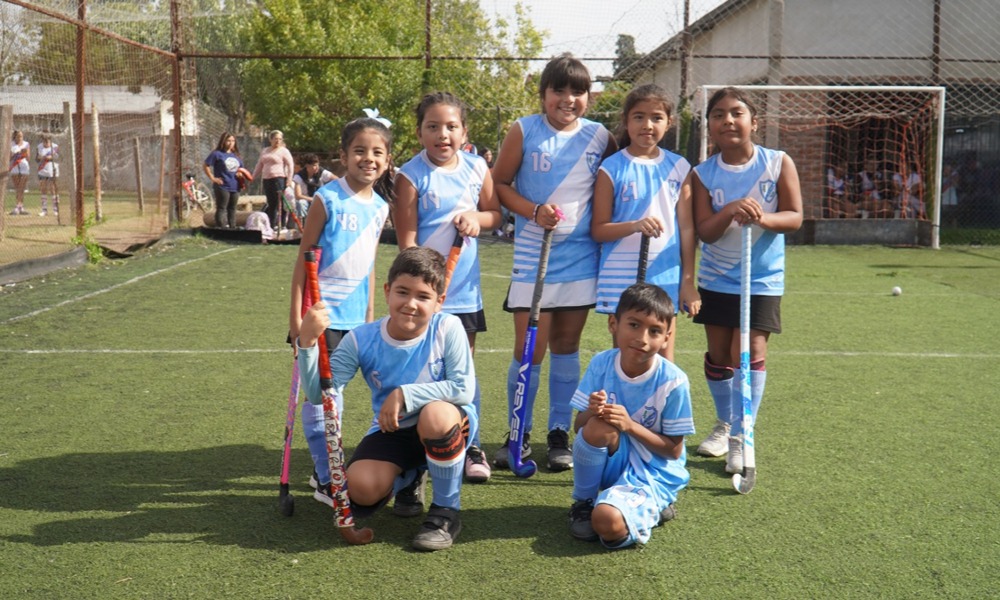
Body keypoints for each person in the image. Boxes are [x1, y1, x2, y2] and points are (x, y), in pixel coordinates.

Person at [296, 246, 477, 551]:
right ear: (387, 291)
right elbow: (318, 395)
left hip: (447, 424)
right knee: (360, 487)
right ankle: (411, 476)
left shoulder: (448, 327)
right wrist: (307, 342)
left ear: (439, 302)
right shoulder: (361, 338)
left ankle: (446, 511)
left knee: (435, 415)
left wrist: (405, 393)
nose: (410, 304)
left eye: (423, 296)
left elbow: (463, 389)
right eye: (402, 292)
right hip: (392, 429)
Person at [492, 53, 617, 472]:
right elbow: (500, 184)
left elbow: (617, 177)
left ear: (589, 97)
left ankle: (559, 433)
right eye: (558, 90)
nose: (567, 99)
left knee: (567, 346)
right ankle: (518, 432)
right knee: (530, 349)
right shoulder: (524, 130)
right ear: (543, 94)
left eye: (577, 92)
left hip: (581, 258)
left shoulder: (600, 136)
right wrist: (532, 210)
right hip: (534, 257)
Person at [690, 87, 802, 470]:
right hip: (717, 279)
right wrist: (731, 211)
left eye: (737, 113)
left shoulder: (777, 162)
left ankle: (742, 434)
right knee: (720, 357)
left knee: (751, 351)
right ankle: (724, 423)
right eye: (718, 114)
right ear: (709, 126)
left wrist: (762, 218)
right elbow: (705, 230)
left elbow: (794, 216)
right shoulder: (703, 173)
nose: (728, 120)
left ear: (755, 122)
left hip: (761, 279)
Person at [394, 92, 502, 484]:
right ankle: (420, 447)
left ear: (464, 132)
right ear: (420, 132)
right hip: (424, 300)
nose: (443, 134)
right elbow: (407, 242)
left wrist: (477, 217)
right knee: (421, 372)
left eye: (451, 126)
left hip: (463, 296)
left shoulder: (476, 167)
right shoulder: (410, 174)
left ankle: (470, 444)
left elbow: (495, 214)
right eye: (433, 126)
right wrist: (417, 294)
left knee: (463, 372)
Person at [288, 115, 394, 510]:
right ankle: (324, 474)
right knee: (321, 399)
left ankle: (331, 469)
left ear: (387, 158)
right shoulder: (327, 198)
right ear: (344, 155)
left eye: (377, 152)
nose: (369, 158)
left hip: (356, 320)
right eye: (360, 151)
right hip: (321, 317)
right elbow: (303, 259)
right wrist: (297, 320)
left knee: (341, 397)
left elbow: (368, 266)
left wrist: (370, 317)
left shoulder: (381, 206)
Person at [567, 283, 694, 549]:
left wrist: (630, 426)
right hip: (616, 460)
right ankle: (583, 502)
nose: (643, 338)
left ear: (667, 337)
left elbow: (673, 450)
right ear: (614, 324)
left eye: (655, 331)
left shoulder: (674, 382)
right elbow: (579, 427)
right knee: (597, 427)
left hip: (654, 471)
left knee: (606, 523)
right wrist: (593, 409)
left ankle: (651, 505)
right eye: (634, 325)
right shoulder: (601, 364)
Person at [591, 83, 700, 362]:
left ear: (669, 122)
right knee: (624, 356)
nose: (647, 125)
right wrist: (634, 225)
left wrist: (688, 281)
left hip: (665, 274)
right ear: (626, 121)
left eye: (656, 117)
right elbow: (599, 229)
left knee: (663, 357)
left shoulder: (679, 167)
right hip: (620, 276)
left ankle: (661, 407)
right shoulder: (611, 167)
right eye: (638, 117)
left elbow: (687, 228)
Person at [251, 130, 295, 229]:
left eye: (280, 139)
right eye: (276, 139)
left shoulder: (284, 151)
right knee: (271, 203)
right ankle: (271, 225)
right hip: (267, 179)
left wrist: (289, 179)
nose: (278, 141)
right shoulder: (265, 151)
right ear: (271, 139)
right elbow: (260, 165)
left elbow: (290, 165)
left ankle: (282, 224)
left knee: (281, 202)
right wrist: (253, 176)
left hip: (279, 179)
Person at [203, 132, 244, 229]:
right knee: (222, 207)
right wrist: (212, 178)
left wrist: (240, 174)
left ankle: (232, 227)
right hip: (222, 185)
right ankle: (221, 227)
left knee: (232, 208)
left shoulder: (236, 155)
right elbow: (205, 165)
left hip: (235, 185)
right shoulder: (217, 154)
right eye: (228, 141)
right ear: (223, 141)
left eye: (233, 141)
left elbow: (241, 169)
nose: (231, 143)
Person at [291, 153, 338, 227]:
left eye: (317, 165)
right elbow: (298, 196)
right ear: (307, 166)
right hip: (306, 199)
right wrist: (312, 199)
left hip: (320, 199)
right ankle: (302, 226)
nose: (316, 167)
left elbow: (337, 180)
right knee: (300, 203)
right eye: (314, 165)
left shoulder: (322, 172)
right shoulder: (299, 177)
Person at [35, 133, 60, 217]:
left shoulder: (55, 146)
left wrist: (50, 157)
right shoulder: (39, 147)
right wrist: (39, 158)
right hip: (42, 170)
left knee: (53, 189)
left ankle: (56, 209)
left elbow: (58, 158)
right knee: (43, 189)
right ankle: (44, 210)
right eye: (44, 140)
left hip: (52, 170)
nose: (45, 142)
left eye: (47, 140)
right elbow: (37, 159)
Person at [8, 130, 30, 216]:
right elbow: (9, 158)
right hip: (14, 167)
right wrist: (16, 153)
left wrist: (24, 153)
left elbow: (28, 158)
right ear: (15, 136)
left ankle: (19, 207)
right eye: (18, 136)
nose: (20, 138)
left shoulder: (26, 144)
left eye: (21, 136)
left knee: (22, 188)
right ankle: (19, 207)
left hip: (24, 167)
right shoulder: (11, 144)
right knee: (18, 188)